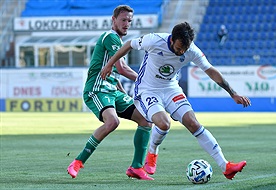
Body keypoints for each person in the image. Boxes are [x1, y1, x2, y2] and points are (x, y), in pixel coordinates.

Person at [100, 22, 251, 180]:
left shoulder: (191, 50)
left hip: (171, 89)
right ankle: (152, 152)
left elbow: (210, 70)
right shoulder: (154, 40)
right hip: (147, 90)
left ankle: (225, 166)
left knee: (193, 123)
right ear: (171, 39)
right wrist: (110, 64)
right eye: (178, 48)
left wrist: (233, 94)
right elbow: (128, 44)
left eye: (184, 49)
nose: (181, 52)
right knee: (164, 123)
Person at [67, 5, 153, 180]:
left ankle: (137, 167)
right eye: (123, 20)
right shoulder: (111, 37)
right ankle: (77, 161)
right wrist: (147, 82)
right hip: (96, 89)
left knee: (145, 120)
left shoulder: (118, 42)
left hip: (112, 90)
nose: (126, 24)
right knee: (112, 121)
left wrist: (120, 88)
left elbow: (116, 70)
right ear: (113, 20)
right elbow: (122, 68)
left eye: (129, 20)